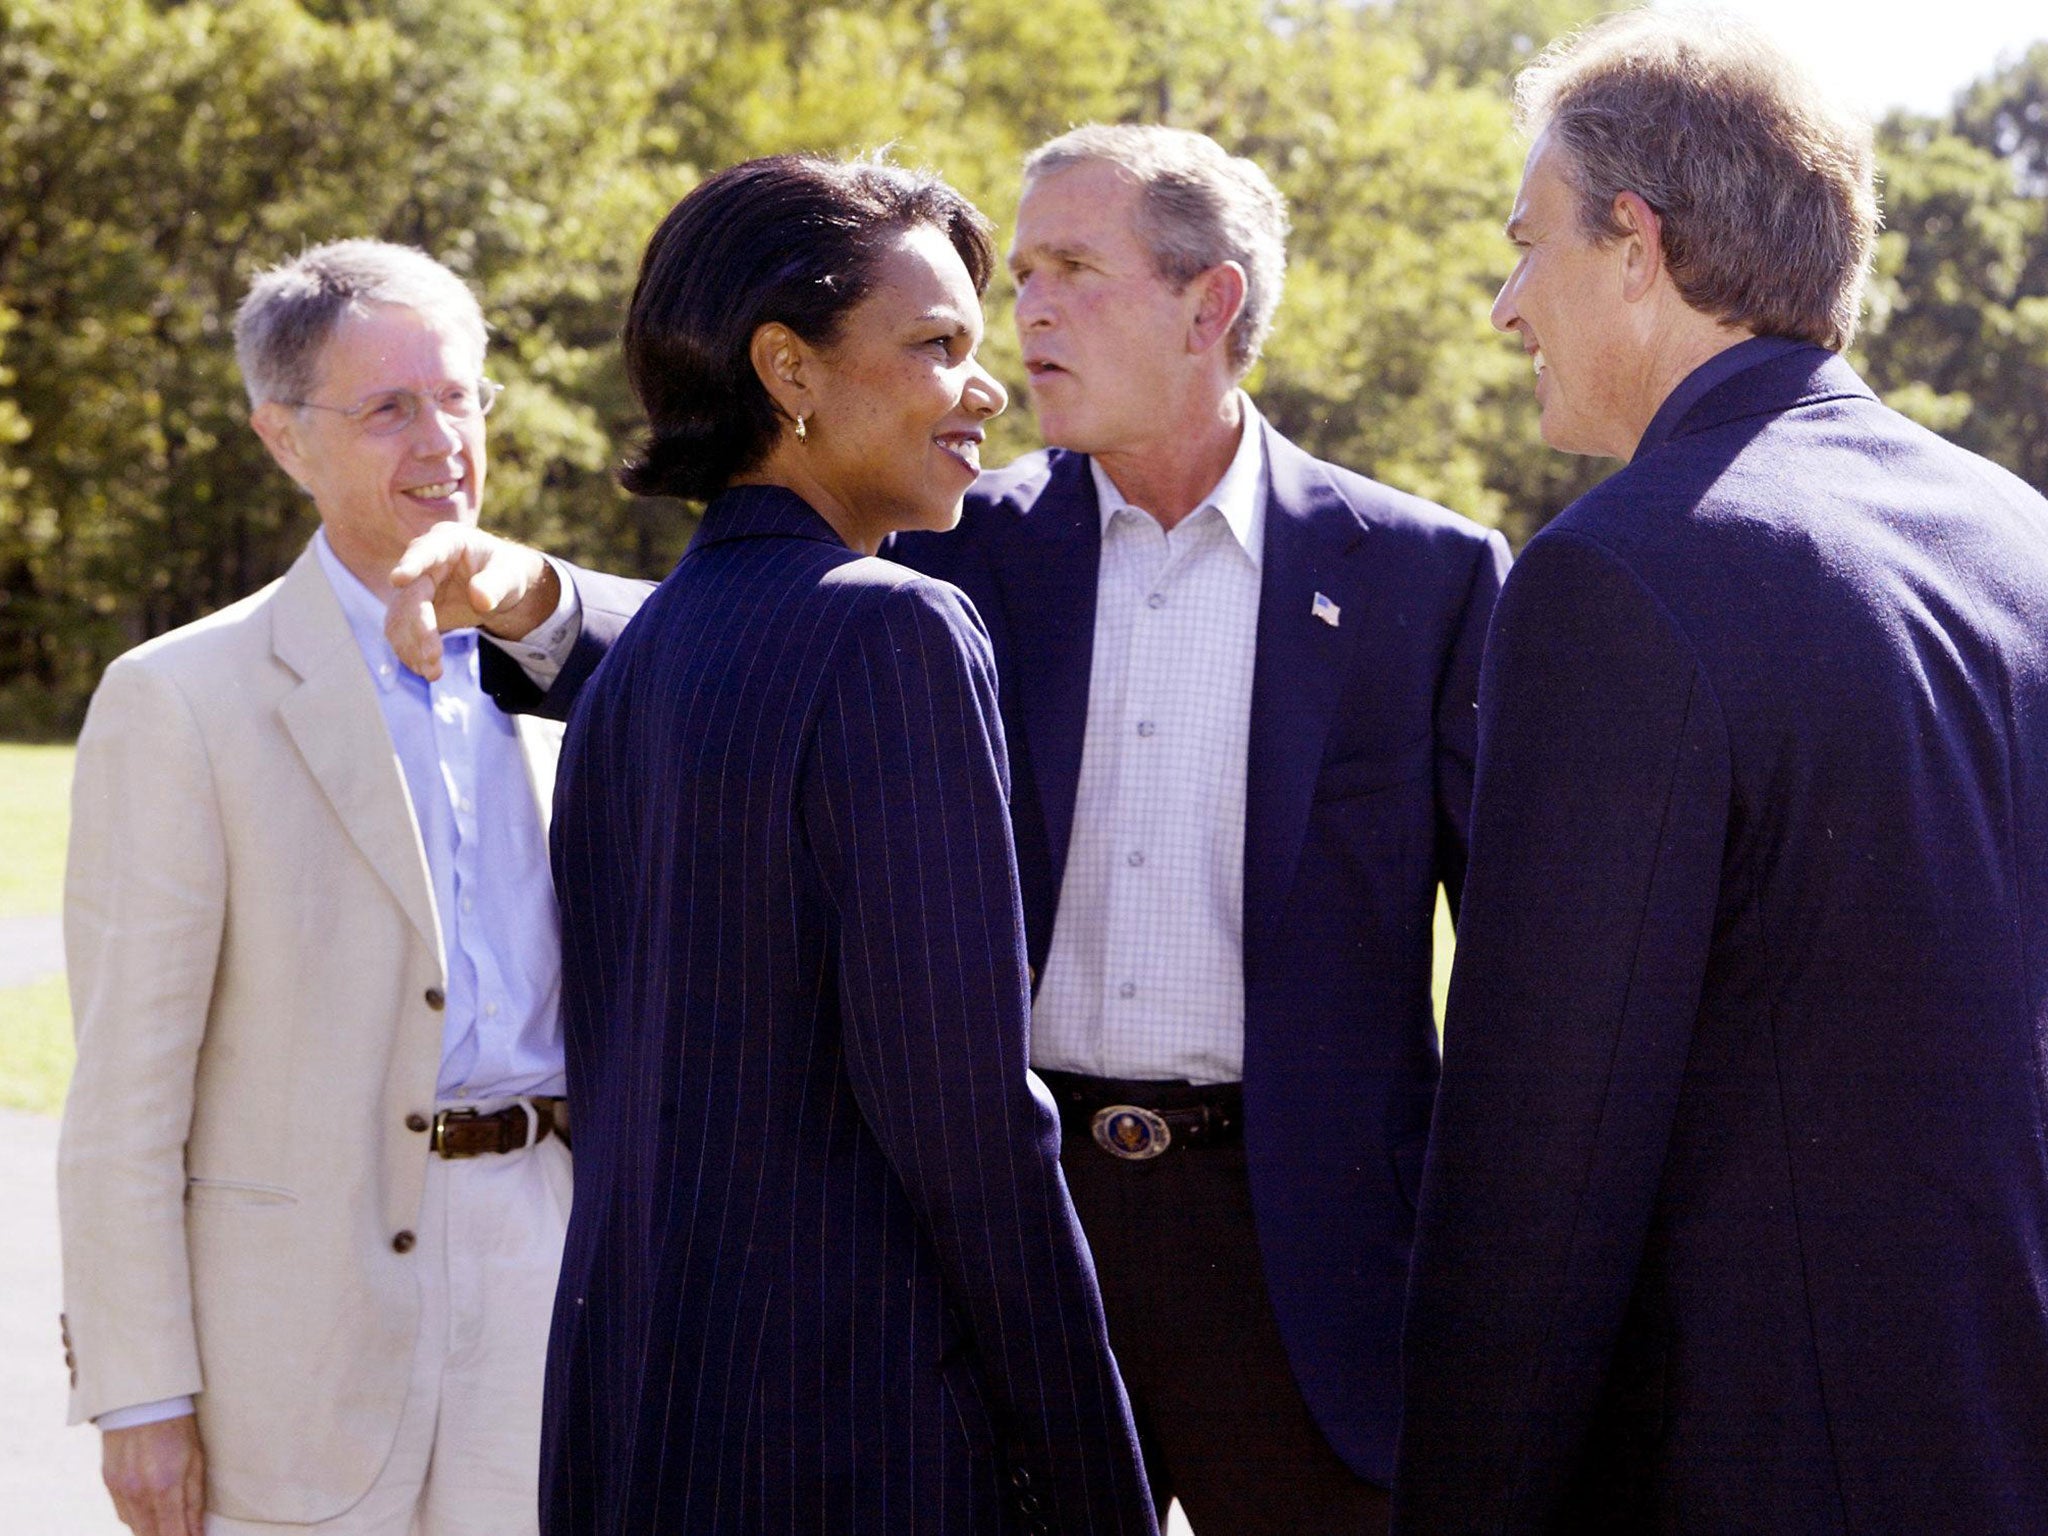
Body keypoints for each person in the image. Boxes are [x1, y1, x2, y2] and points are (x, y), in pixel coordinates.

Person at [392, 125, 1508, 1533]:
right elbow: (775, 640)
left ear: (1209, 304)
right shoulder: (944, 541)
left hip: (1294, 1260)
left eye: (1069, 270)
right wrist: (546, 604)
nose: (1026, 314)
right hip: (985, 1243)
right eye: (1010, 279)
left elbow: (1519, 968)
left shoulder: (1431, 573)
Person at [1393, 12, 2048, 1532]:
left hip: (1749, 1468)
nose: (1505, 306)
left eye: (1524, 244)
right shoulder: (2015, 534)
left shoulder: (1620, 575)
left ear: (1636, 240)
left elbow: (1536, 1164)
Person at [527, 155, 1153, 1535]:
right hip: (858, 1442)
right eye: (936, 345)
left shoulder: (644, 663)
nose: (985, 390)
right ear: (788, 370)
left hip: (644, 1424)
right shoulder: (890, 628)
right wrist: (1103, 1484)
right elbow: (971, 1127)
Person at [58, 241, 576, 1536]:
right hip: (297, 1346)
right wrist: (140, 1396)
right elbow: (127, 1088)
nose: (444, 438)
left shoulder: (572, 679)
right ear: (284, 439)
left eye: (460, 398)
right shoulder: (181, 699)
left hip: (549, 1285)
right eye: (391, 406)